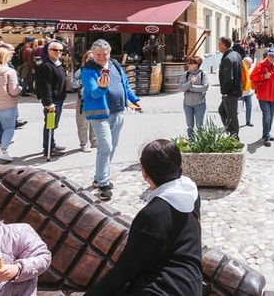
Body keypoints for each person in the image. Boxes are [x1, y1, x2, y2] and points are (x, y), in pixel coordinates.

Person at [86, 139, 202, 295]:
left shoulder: (152, 215)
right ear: (178, 164)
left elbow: (124, 270)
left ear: (144, 172)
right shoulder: (191, 193)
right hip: (191, 286)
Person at [81, 39, 142, 201]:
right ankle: (103, 183)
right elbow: (94, 93)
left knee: (112, 147)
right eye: (98, 54)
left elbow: (125, 84)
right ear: (92, 54)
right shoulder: (88, 71)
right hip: (99, 113)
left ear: (109, 53)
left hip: (118, 111)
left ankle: (100, 176)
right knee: (105, 146)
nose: (102, 57)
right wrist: (102, 87)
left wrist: (134, 99)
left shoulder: (114, 64)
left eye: (104, 54)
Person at [35, 40, 68, 157]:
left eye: (60, 50)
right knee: (50, 124)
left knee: (53, 124)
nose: (58, 52)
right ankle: (48, 148)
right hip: (53, 101)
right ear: (48, 51)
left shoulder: (57, 63)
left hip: (59, 98)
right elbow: (45, 86)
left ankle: (51, 144)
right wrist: (48, 103)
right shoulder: (46, 66)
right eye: (55, 50)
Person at [249, 47, 274, 147]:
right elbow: (252, 77)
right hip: (263, 95)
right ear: (268, 55)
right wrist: (263, 77)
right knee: (267, 115)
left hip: (273, 95)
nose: (271, 57)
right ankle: (266, 136)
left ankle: (267, 132)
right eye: (270, 55)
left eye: (273, 56)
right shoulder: (261, 65)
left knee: (271, 116)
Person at [217, 37, 242, 138]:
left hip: (230, 92)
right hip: (235, 90)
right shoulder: (236, 54)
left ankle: (234, 136)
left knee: (231, 116)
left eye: (219, 44)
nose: (218, 46)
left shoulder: (228, 58)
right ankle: (231, 133)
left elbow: (228, 78)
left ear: (224, 45)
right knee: (222, 110)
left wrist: (224, 91)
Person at [179, 55, 209, 138]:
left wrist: (190, 88)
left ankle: (200, 142)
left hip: (199, 104)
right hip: (187, 104)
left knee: (200, 126)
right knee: (189, 126)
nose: (187, 65)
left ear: (196, 65)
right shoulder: (186, 74)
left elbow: (204, 87)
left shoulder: (203, 74)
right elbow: (181, 87)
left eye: (190, 63)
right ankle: (191, 142)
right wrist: (190, 83)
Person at [73, 50, 97, 152]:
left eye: (93, 58)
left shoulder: (99, 71)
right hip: (83, 100)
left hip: (96, 100)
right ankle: (84, 144)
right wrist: (81, 82)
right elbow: (73, 84)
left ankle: (95, 142)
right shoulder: (80, 71)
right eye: (89, 58)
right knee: (82, 124)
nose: (91, 60)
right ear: (85, 59)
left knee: (95, 124)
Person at [239, 56, 255, 127]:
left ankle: (248, 121)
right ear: (244, 63)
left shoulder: (251, 71)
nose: (251, 65)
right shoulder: (240, 71)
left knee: (249, 106)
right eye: (249, 63)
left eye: (251, 63)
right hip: (241, 93)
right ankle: (233, 122)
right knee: (238, 109)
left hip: (249, 93)